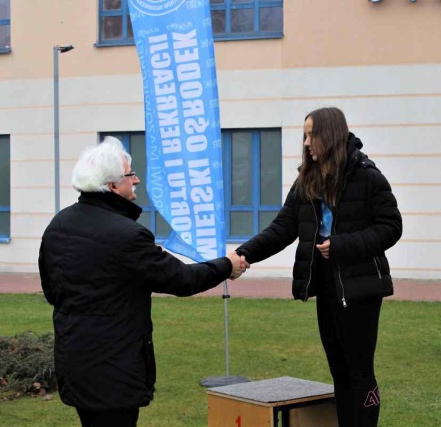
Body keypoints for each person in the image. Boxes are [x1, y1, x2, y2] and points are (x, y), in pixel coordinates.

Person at [38, 137, 244, 427]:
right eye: (130, 174)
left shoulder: (58, 225)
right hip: (114, 368)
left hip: (75, 362)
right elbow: (182, 280)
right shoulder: (128, 236)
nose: (136, 179)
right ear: (112, 185)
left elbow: (52, 290)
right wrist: (227, 265)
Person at [235, 107, 402, 426]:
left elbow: (391, 227)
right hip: (326, 287)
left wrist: (341, 245)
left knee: (359, 371)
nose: (306, 142)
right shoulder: (306, 181)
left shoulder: (367, 176)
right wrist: (243, 254)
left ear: (330, 134)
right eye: (304, 135)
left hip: (360, 288)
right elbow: (281, 228)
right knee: (339, 370)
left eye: (311, 135)